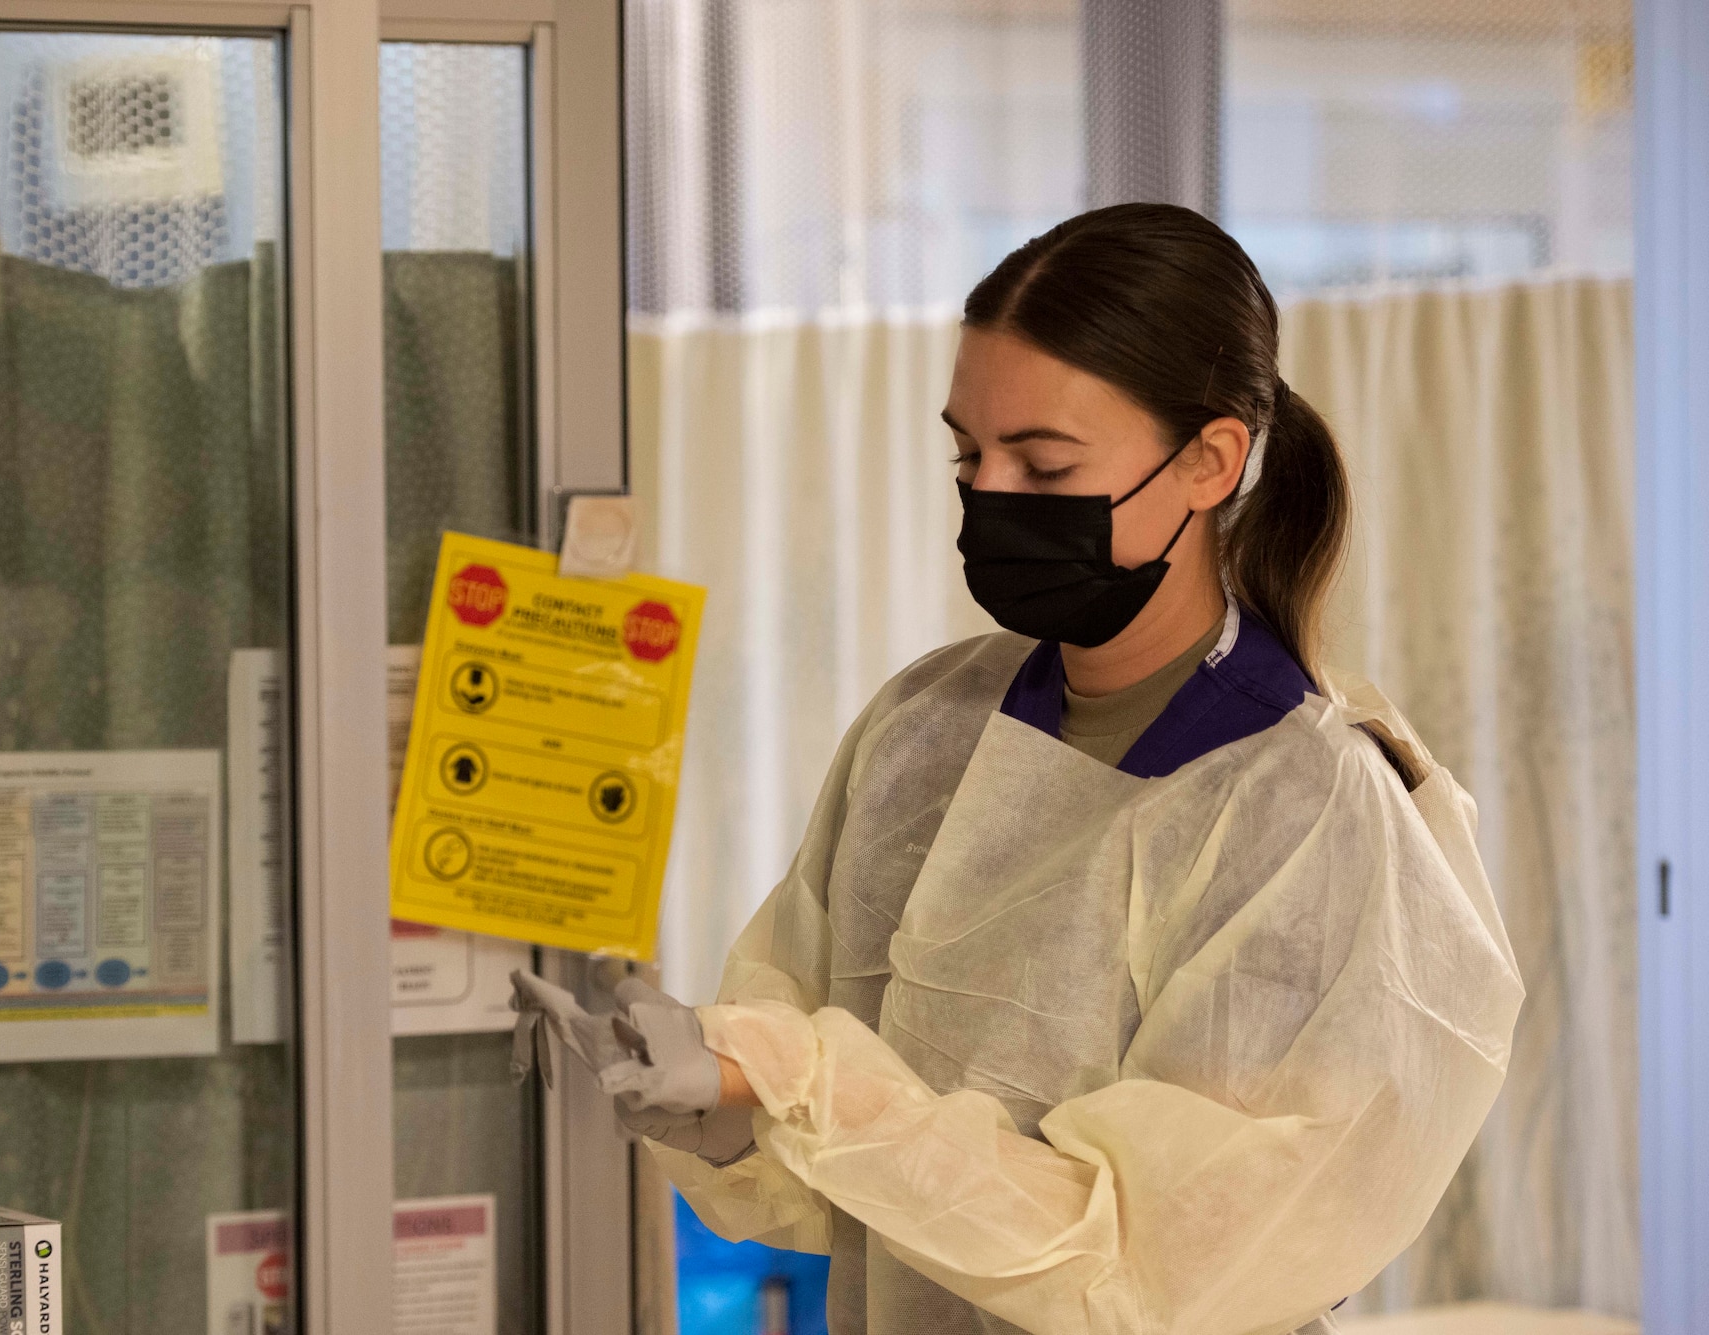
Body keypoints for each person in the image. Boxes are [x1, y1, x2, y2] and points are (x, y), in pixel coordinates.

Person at [512, 202, 1524, 1335]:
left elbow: (1146, 1268)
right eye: (967, 454)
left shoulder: (1304, 813)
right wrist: (721, 1099)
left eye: (1041, 465)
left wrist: (796, 1084)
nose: (989, 498)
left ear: (1207, 460)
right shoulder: (924, 730)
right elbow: (836, 1163)